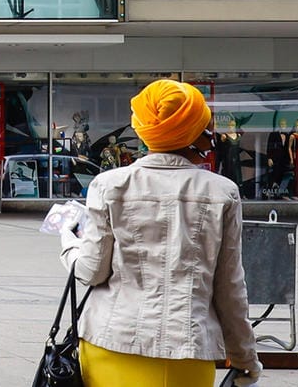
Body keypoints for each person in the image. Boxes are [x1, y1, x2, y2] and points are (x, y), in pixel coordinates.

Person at [59, 79, 261, 387]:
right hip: (187, 351)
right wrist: (245, 358)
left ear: (142, 128)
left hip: (111, 341)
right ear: (197, 133)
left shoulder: (109, 185)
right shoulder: (223, 193)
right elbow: (229, 289)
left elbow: (91, 271)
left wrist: (68, 242)